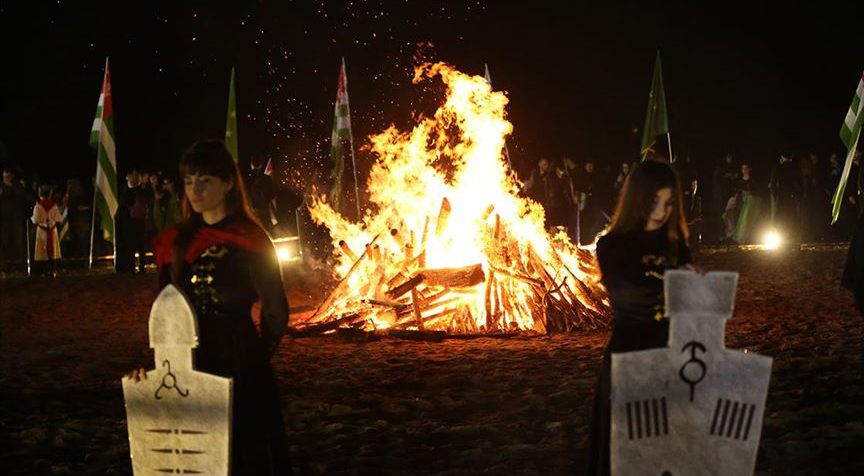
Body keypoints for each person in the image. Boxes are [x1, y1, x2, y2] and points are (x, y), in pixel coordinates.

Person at [128, 140, 291, 475]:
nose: (195, 190)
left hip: (239, 357)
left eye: (205, 180)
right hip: (187, 360)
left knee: (241, 452)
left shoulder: (251, 240)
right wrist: (158, 366)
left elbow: (275, 311)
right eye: (189, 181)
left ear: (228, 183)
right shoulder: (177, 241)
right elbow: (166, 312)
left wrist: (255, 361)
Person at [586, 159, 694, 476]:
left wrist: (699, 287)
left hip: (671, 357)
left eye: (669, 203)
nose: (661, 211)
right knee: (627, 454)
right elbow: (628, 297)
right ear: (637, 200)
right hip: (630, 357)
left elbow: (689, 308)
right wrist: (676, 285)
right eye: (654, 202)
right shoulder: (612, 245)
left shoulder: (677, 246)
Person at [524, 157, 572, 232]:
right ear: (539, 164)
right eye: (544, 164)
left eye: (547, 165)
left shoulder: (551, 175)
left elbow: (558, 186)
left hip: (549, 204)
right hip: (537, 202)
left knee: (552, 224)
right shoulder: (535, 173)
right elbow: (530, 184)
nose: (546, 166)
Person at [116, 170, 150, 273]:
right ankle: (142, 266)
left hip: (130, 222)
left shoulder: (128, 192)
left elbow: (123, 207)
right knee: (141, 245)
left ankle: (130, 267)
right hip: (141, 220)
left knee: (130, 245)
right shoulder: (143, 191)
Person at [31, 184, 63, 276]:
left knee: (41, 250)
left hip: (42, 231)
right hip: (52, 230)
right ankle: (52, 269)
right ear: (50, 194)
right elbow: (58, 218)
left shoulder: (38, 206)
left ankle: (42, 270)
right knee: (53, 249)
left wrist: (32, 219)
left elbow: (36, 219)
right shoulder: (54, 206)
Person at [0, 167, 28, 269]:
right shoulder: (1, 185)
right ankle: (5, 263)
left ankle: (20, 263)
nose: (7, 177)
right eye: (5, 175)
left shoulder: (18, 186)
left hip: (17, 217)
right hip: (4, 217)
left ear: (12, 176)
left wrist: (10, 188)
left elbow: (22, 196)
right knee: (4, 240)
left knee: (18, 239)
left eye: (9, 175)